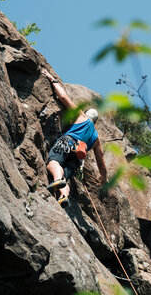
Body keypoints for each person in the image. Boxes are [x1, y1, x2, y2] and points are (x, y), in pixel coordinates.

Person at [42, 69, 107, 207]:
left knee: (53, 162)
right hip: (77, 158)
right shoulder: (96, 138)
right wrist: (104, 179)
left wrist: (52, 79)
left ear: (86, 113)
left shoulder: (81, 116)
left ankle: (57, 179)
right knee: (65, 178)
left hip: (68, 142)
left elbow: (64, 97)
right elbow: (101, 162)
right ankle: (63, 195)